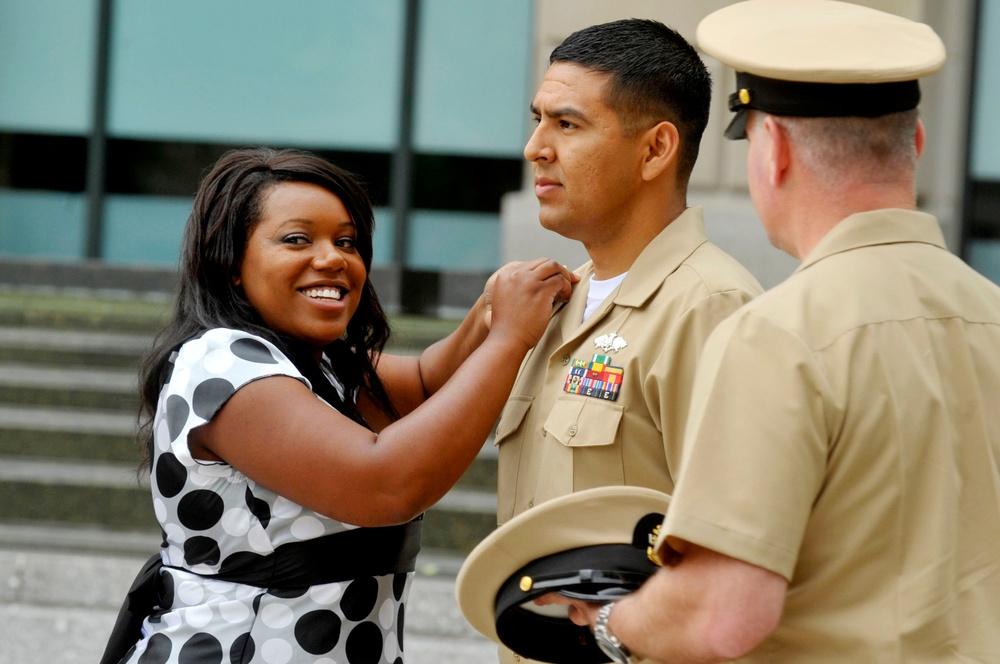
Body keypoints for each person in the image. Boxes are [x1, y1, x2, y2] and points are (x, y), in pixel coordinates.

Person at [541, 1, 1000, 661]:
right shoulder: (991, 316)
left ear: (774, 150)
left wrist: (613, 624)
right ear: (917, 145)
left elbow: (724, 613)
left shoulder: (778, 335)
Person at [102, 147, 576, 664]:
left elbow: (423, 384)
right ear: (232, 264)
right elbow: (386, 483)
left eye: (347, 241)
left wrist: (485, 318)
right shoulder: (224, 363)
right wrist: (508, 339)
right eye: (297, 239)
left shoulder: (314, 360)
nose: (332, 258)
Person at [493, 18, 762, 661]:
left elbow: (735, 556)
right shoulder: (559, 299)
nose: (536, 147)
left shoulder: (709, 307)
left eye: (567, 124)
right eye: (538, 120)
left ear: (655, 150)